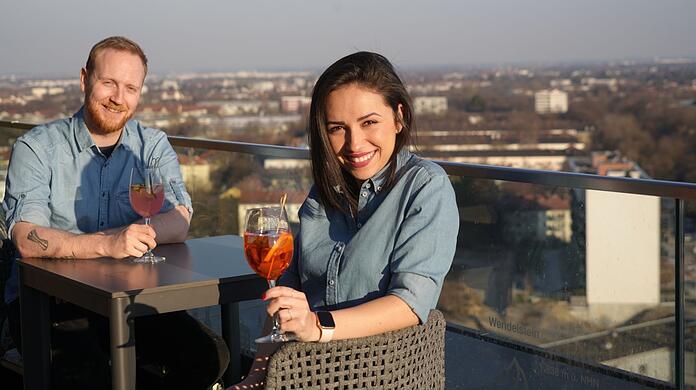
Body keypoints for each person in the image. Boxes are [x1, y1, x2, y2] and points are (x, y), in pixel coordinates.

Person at [3, 36, 228, 389]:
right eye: (108, 83)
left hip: (128, 301)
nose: (118, 98)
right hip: (46, 303)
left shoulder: (150, 145)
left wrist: (132, 237)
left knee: (209, 357)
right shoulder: (37, 148)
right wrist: (109, 244)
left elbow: (179, 219)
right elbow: (27, 239)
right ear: (84, 80)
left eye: (130, 88)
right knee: (91, 375)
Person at [232, 51, 459, 388]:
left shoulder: (425, 186)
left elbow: (409, 304)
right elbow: (288, 296)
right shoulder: (324, 193)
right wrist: (256, 376)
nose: (354, 144)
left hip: (380, 377)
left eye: (369, 122)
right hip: (302, 373)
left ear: (399, 117)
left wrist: (317, 326)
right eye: (338, 128)